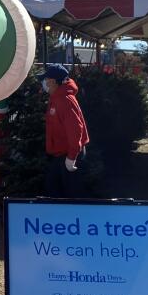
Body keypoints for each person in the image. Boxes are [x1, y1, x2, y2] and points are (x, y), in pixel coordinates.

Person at [41, 64, 89, 198]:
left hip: (69, 155)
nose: (45, 83)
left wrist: (71, 158)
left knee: (72, 194)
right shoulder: (57, 98)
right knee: (54, 188)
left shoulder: (64, 100)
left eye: (46, 80)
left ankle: (75, 218)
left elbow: (75, 129)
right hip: (61, 155)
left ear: (54, 81)